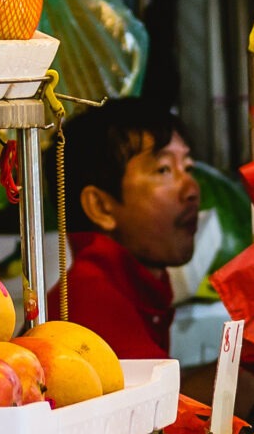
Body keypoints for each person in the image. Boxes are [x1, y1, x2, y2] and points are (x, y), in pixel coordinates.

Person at [43, 96, 200, 364]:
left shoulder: (137, 284)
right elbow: (158, 404)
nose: (192, 189)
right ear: (101, 207)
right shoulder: (90, 296)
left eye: (187, 167)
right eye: (163, 169)